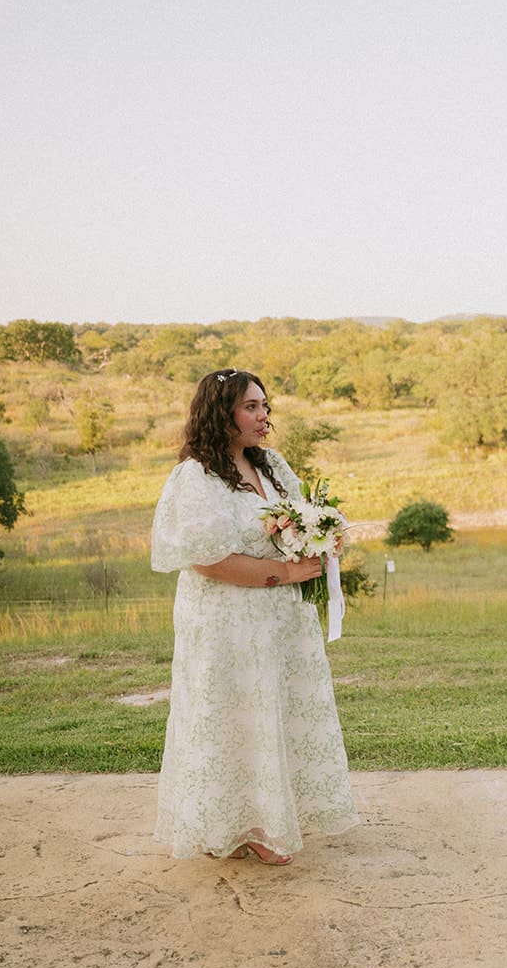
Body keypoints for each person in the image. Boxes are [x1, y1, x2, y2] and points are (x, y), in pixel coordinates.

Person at [150, 368, 359, 864]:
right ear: (221, 413)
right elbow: (208, 559)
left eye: (265, 407)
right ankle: (244, 826)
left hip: (279, 622)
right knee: (234, 714)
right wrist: (286, 574)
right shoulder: (195, 476)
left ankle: (269, 817)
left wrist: (320, 540)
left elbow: (299, 521)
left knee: (275, 711)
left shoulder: (273, 467)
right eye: (251, 407)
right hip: (226, 623)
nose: (264, 417)